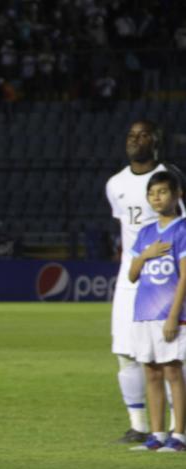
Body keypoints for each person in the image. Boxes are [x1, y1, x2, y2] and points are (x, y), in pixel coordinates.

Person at [106, 121, 185, 443]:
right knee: (127, 353)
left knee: (173, 357)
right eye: (131, 135)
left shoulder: (172, 176)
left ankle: (177, 429)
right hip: (131, 279)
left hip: (167, 280)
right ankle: (139, 425)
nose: (136, 140)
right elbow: (125, 229)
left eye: (143, 135)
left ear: (156, 140)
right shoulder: (115, 184)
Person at [127, 171, 186, 452]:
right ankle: (157, 435)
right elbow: (132, 275)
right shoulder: (146, 232)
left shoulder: (182, 229)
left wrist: (174, 315)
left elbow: (185, 276)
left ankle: (179, 436)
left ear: (177, 195)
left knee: (173, 372)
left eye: (162, 192)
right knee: (151, 372)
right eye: (152, 193)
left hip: (169, 313)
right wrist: (144, 255)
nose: (156, 198)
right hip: (144, 313)